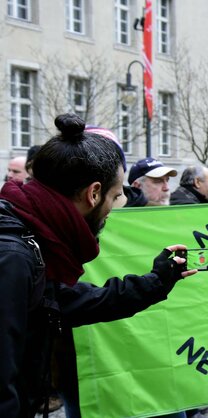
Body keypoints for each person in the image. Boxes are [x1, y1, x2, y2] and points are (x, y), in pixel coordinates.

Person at [0, 113, 196, 418]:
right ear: (93, 193)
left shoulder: (29, 238)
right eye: (116, 196)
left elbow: (71, 301)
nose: (114, 208)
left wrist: (157, 281)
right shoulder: (13, 255)